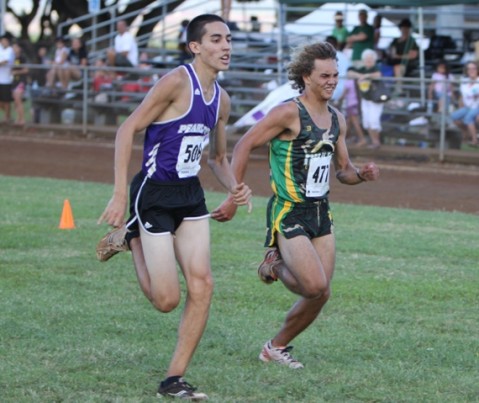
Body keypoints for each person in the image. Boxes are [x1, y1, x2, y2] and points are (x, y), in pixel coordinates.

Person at [96, 14, 252, 399]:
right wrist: (119, 195)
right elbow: (126, 129)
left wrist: (235, 188)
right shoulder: (175, 83)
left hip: (190, 197)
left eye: (228, 38)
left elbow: (217, 157)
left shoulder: (223, 100)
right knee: (166, 301)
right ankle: (131, 238)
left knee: (203, 285)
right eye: (216, 39)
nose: (226, 46)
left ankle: (173, 379)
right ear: (195, 47)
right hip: (153, 194)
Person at [212, 41, 379, 369]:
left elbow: (343, 172)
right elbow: (245, 144)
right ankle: (274, 264)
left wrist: (361, 174)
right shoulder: (289, 113)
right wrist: (234, 194)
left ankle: (275, 347)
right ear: (306, 77)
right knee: (314, 284)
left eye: (335, 75)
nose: (332, 81)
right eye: (324, 76)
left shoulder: (337, 119)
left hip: (320, 212)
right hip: (289, 210)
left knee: (321, 293)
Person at [347, 48, 384, 149]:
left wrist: (366, 76)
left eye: (370, 59)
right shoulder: (363, 69)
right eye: (367, 60)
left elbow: (378, 75)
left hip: (375, 98)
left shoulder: (375, 68)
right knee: (367, 121)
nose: (368, 61)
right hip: (366, 98)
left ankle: (376, 142)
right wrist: (361, 76)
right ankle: (374, 141)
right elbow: (350, 72)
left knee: (373, 120)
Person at [450, 60, 479, 146]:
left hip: (477, 106)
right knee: (453, 116)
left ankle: (474, 139)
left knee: (468, 117)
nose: (471, 71)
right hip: (468, 106)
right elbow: (462, 97)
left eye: (474, 68)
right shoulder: (464, 82)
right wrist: (460, 106)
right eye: (469, 69)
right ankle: (465, 131)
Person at [386, 18, 419, 95]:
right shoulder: (395, 41)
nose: (405, 30)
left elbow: (413, 55)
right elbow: (391, 53)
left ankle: (398, 90)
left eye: (407, 28)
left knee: (398, 68)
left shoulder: (411, 41)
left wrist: (399, 56)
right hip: (392, 63)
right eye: (403, 28)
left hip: (407, 65)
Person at [337, 77, 367, 147]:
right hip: (355, 104)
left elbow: (343, 94)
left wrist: (338, 100)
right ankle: (344, 139)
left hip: (351, 104)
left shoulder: (349, 82)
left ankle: (362, 139)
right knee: (348, 123)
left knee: (355, 122)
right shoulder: (356, 81)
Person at [11, 42, 29, 127]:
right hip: (15, 81)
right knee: (16, 101)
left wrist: (16, 72)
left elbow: (26, 70)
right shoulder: (13, 58)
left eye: (15, 47)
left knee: (18, 99)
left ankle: (22, 119)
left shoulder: (23, 58)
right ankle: (18, 118)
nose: (14, 49)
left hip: (21, 81)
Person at [0, 34, 15, 124]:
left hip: (6, 80)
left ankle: (7, 117)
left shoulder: (10, 50)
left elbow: (6, 61)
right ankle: (8, 115)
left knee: (6, 101)